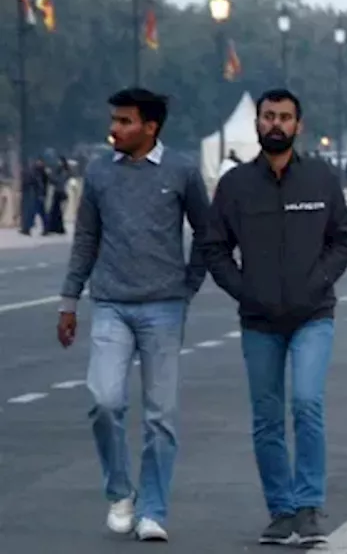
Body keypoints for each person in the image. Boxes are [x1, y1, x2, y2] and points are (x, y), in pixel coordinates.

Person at [200, 89, 347, 547]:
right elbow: (213, 245)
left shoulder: (321, 180)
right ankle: (281, 510)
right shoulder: (235, 186)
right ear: (257, 123)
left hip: (313, 314)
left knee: (307, 403)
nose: (275, 124)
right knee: (267, 418)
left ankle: (309, 506)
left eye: (285, 117)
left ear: (298, 125)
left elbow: (345, 239)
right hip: (259, 319)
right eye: (268, 116)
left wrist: (320, 279)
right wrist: (243, 288)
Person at [56, 88, 209, 542]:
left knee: (161, 415)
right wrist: (69, 302)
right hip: (110, 304)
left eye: (124, 121)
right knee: (104, 401)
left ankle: (153, 510)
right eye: (114, 120)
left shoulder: (181, 170)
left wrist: (189, 284)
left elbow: (207, 231)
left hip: (164, 306)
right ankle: (120, 491)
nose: (114, 129)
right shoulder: (100, 171)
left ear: (150, 127)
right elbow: (85, 238)